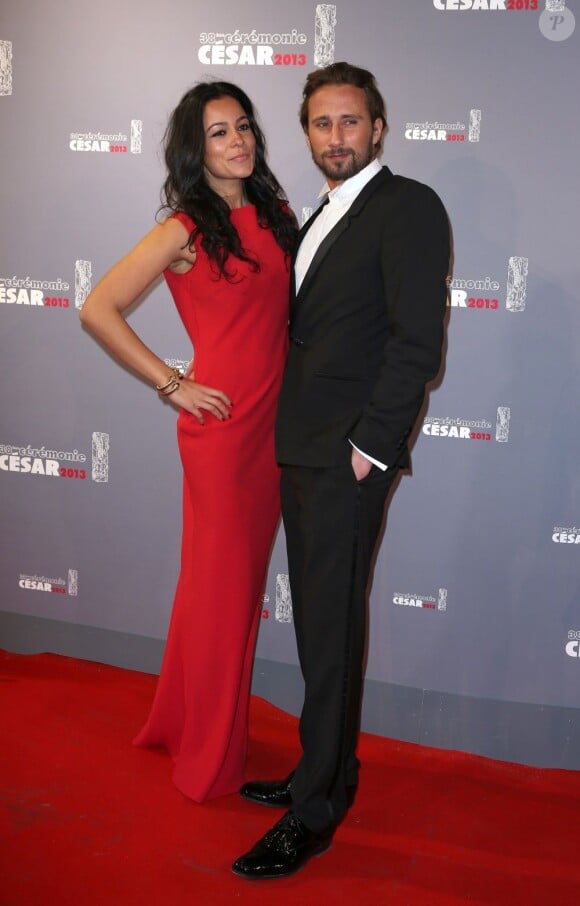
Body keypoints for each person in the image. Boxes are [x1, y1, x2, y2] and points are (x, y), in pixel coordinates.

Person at [232, 62, 450, 879]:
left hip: (345, 459)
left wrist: (370, 449)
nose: (336, 137)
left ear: (378, 126)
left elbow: (417, 344)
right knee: (323, 629)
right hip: (304, 448)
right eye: (321, 124)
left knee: (330, 629)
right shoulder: (321, 212)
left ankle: (316, 814)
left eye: (350, 122)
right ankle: (319, 772)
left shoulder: (409, 208)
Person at [80, 81, 298, 802]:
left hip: (277, 425)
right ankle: (208, 754)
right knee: (223, 595)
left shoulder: (276, 213)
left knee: (215, 591)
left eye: (243, 127)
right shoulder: (184, 229)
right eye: (218, 133)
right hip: (224, 428)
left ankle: (183, 721)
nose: (238, 141)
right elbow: (97, 307)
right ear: (192, 148)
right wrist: (172, 384)